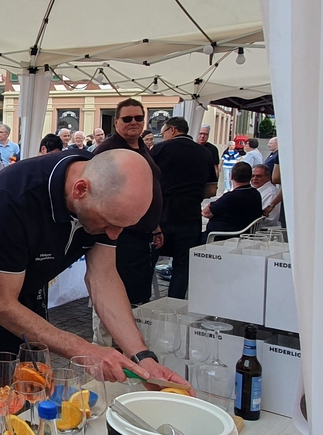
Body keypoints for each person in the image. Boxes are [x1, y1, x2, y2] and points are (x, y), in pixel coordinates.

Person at [0, 145, 186, 387]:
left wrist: (142, 357)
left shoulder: (104, 192)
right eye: (110, 223)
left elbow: (104, 278)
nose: (114, 236)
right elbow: (1, 304)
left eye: (123, 226)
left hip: (26, 284)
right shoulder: (13, 197)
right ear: (81, 189)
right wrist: (86, 350)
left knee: (30, 381)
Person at [94, 98, 164, 306]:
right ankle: (108, 338)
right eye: (127, 118)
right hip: (120, 237)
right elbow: (94, 191)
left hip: (142, 235)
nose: (133, 122)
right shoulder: (108, 149)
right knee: (116, 296)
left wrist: (155, 226)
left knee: (137, 295)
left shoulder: (142, 145)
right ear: (116, 122)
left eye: (139, 118)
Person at [150, 116, 218, 299]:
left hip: (162, 214)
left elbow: (146, 180)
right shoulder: (205, 153)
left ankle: (144, 303)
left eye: (163, 132)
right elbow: (212, 189)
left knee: (150, 261)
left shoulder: (160, 149)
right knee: (182, 266)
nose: (162, 136)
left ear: (172, 130)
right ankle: (173, 304)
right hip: (190, 215)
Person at [203, 161, 263, 237]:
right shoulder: (256, 194)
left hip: (222, 237)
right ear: (250, 177)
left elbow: (205, 213)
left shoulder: (230, 197)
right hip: (246, 234)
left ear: (231, 176)